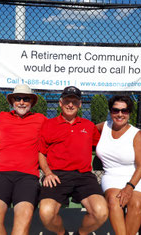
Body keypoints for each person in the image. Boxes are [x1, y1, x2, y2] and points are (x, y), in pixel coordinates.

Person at [38, 86, 108, 235]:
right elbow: (41, 153)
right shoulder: (48, 125)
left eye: (74, 101)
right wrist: (48, 173)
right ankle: (62, 233)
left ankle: (79, 233)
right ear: (60, 103)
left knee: (101, 212)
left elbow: (105, 145)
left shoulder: (88, 126)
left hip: (83, 176)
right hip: (56, 176)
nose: (70, 105)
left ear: (80, 104)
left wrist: (108, 125)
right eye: (67, 101)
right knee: (46, 213)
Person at [0, 84, 48, 235]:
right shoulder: (1, 117)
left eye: (26, 99)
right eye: (18, 98)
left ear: (31, 102)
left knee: (23, 221)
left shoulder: (41, 120)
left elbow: (62, 130)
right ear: (12, 101)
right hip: (1, 174)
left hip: (28, 177)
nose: (21, 102)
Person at [95, 95, 141, 235]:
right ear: (110, 112)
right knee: (113, 201)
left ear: (129, 113)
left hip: (137, 177)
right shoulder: (103, 127)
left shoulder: (136, 134)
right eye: (115, 110)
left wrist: (129, 187)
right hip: (112, 176)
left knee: (136, 203)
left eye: (124, 111)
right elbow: (83, 132)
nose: (120, 114)